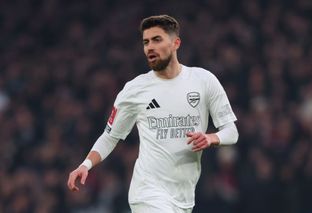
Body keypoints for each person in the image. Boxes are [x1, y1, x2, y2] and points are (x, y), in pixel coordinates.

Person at [67, 14, 239, 213]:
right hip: (148, 194)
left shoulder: (204, 81)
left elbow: (231, 131)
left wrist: (211, 138)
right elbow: (110, 136)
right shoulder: (134, 90)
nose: (150, 47)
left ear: (176, 43)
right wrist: (85, 165)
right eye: (146, 42)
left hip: (184, 197)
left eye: (157, 40)